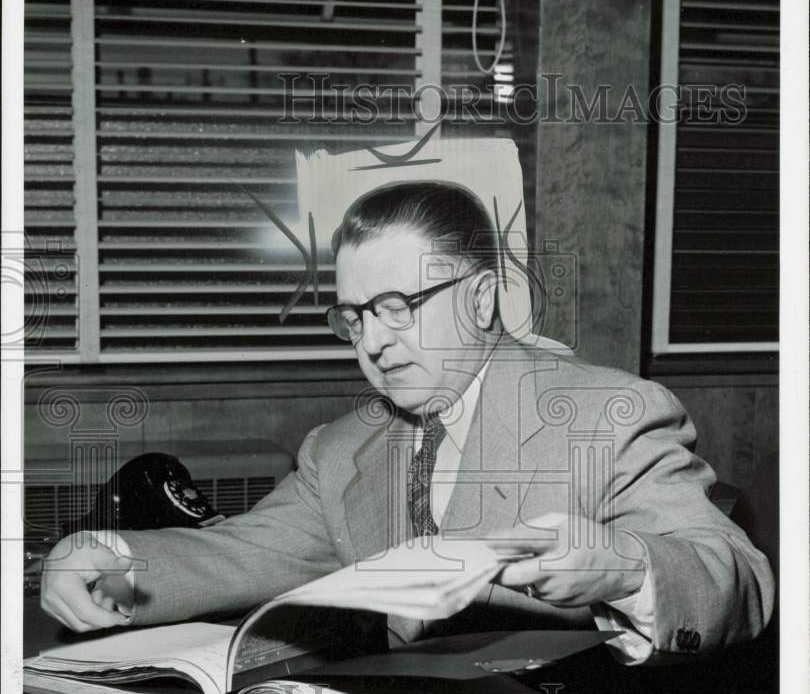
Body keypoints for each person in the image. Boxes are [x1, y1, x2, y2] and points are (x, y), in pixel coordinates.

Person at [40, 181, 775, 664]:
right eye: (355, 316)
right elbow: (234, 554)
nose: (374, 341)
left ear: (482, 299)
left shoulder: (607, 416)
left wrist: (626, 564)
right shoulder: (343, 449)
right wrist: (102, 558)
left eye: (398, 307)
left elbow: (739, 577)